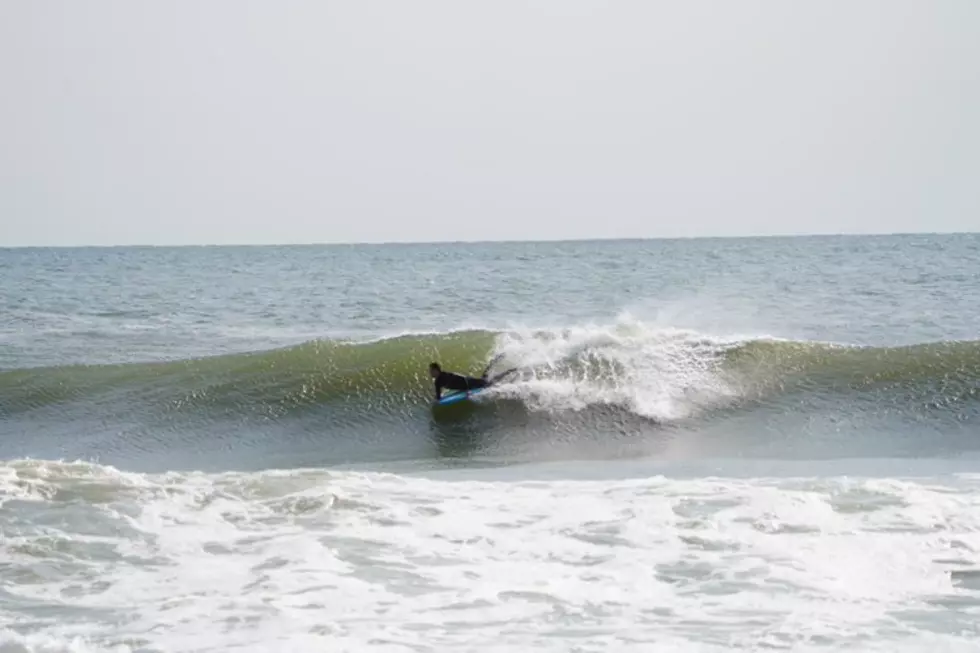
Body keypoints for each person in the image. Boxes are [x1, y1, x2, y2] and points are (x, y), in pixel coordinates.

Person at [429, 355, 517, 401]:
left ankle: (509, 371)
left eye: (431, 371)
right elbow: (439, 395)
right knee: (485, 379)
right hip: (468, 382)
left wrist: (437, 398)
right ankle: (494, 362)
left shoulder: (441, 379)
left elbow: (438, 397)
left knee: (489, 382)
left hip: (469, 384)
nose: (430, 373)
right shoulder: (443, 376)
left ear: (437, 370)